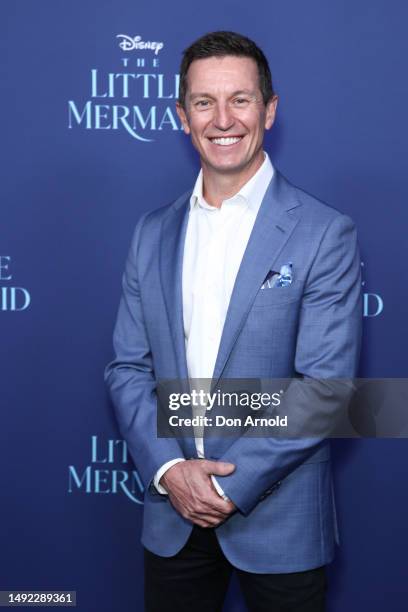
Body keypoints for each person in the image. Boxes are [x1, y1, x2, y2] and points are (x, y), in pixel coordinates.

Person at [105, 30, 362, 612]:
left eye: (240, 99)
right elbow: (127, 367)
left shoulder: (324, 232)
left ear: (269, 109)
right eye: (204, 102)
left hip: (281, 524)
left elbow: (325, 389)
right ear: (182, 115)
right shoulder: (152, 233)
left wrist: (223, 485)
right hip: (172, 520)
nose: (223, 119)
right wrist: (173, 470)